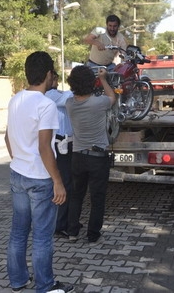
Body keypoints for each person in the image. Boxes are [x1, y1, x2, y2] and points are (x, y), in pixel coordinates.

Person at [4, 51, 74, 293]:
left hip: (18, 174)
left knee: (19, 231)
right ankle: (45, 286)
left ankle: (17, 280)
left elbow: (7, 137)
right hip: (41, 179)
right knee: (43, 236)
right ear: (48, 75)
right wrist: (58, 181)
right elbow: (45, 147)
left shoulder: (16, 100)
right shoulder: (46, 105)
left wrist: (20, 160)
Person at [65, 65, 116, 244]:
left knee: (76, 195)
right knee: (97, 198)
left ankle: (72, 232)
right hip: (97, 157)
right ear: (91, 82)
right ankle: (93, 235)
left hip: (78, 156)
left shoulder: (70, 104)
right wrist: (103, 79)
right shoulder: (99, 102)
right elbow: (112, 97)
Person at [45, 71, 74, 236]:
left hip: (64, 143)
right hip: (60, 144)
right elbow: (72, 94)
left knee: (68, 182)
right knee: (64, 184)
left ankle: (66, 221)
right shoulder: (52, 95)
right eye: (55, 79)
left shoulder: (56, 94)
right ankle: (59, 224)